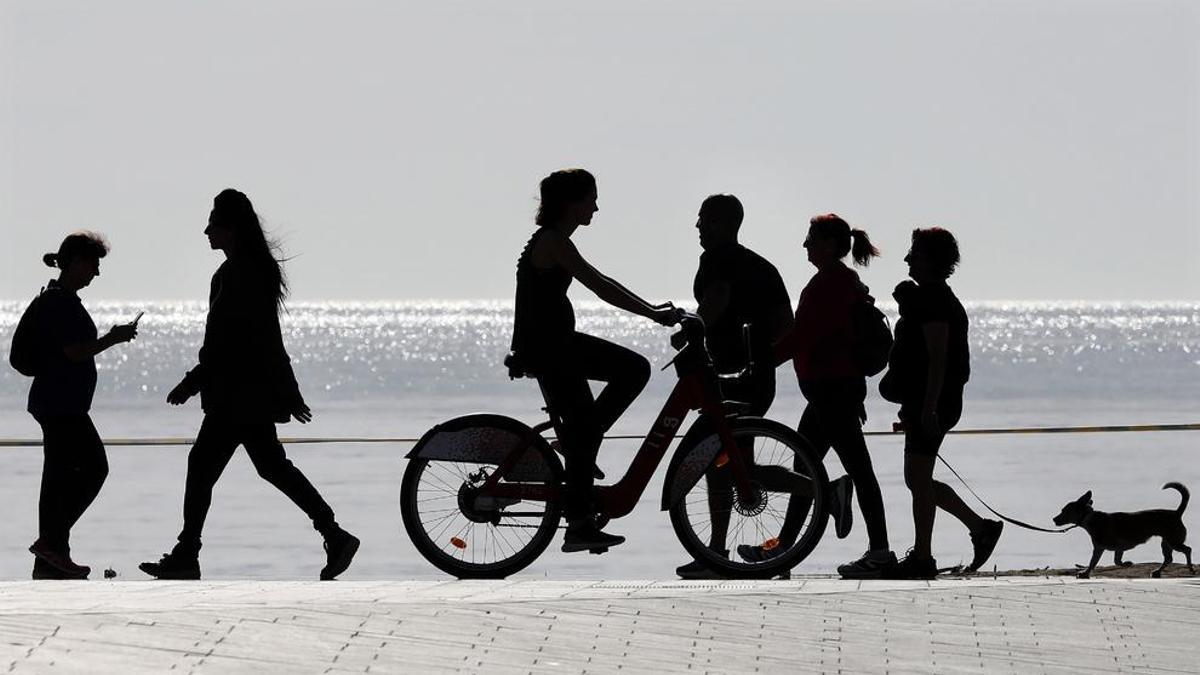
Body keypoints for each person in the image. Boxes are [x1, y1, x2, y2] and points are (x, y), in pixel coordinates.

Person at [140, 189, 358, 581]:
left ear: (232, 228)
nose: (206, 231)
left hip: (234, 396)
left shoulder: (237, 275)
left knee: (205, 467)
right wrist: (289, 393)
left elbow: (228, 342)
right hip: (250, 394)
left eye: (214, 223)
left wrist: (190, 384)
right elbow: (269, 339)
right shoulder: (249, 271)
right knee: (271, 467)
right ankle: (333, 532)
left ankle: (188, 553)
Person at [509, 168, 680, 552]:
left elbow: (601, 280)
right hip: (552, 348)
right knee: (633, 371)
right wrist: (653, 314)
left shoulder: (553, 240)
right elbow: (599, 284)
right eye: (591, 199)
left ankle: (578, 461)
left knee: (587, 428)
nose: (597, 208)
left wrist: (651, 310)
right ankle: (579, 523)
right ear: (571, 203)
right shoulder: (553, 241)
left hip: (553, 346)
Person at [739, 214, 894, 579]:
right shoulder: (844, 282)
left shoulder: (828, 285)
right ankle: (783, 551)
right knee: (804, 465)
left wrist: (757, 368)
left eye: (810, 239)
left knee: (858, 471)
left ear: (827, 245)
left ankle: (880, 552)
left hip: (831, 390)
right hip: (835, 389)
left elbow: (800, 338)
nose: (804, 245)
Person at [673, 194, 794, 579]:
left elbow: (717, 298)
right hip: (757, 378)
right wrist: (762, 360)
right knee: (735, 464)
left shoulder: (718, 259)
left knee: (722, 463)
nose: (697, 227)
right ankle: (717, 552)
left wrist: (691, 332)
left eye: (704, 221)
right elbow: (785, 325)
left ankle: (717, 553)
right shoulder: (763, 266)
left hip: (726, 377)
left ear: (724, 224)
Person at [883, 227, 1002, 579]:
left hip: (935, 402)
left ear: (933, 261)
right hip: (925, 402)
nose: (907, 259)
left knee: (918, 480)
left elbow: (938, 358)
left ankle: (923, 556)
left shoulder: (936, 302)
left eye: (915, 254)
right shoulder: (928, 299)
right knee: (917, 479)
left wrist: (929, 408)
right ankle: (979, 527)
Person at [25, 232, 138, 579]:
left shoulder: (61, 299)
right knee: (93, 468)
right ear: (74, 262)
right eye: (93, 264)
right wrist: (111, 339)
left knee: (58, 478)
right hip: (60, 405)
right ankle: (51, 543)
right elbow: (73, 351)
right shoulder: (60, 303)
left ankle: (51, 558)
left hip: (59, 403)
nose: (96, 273)